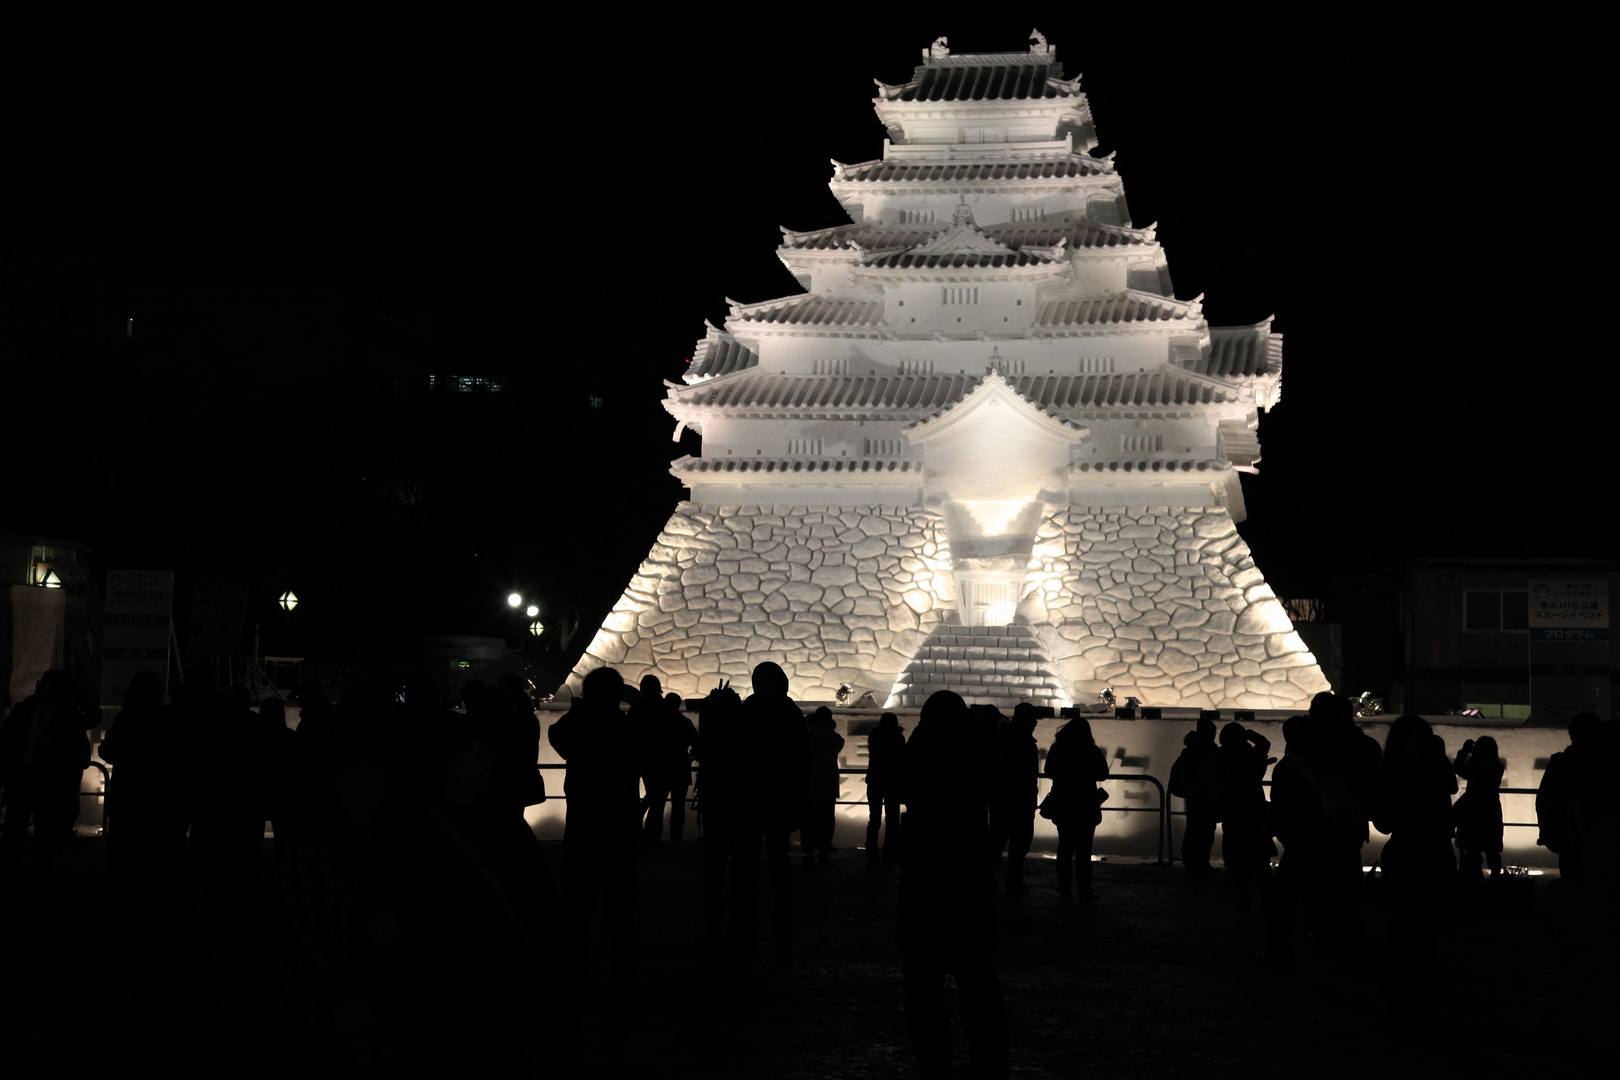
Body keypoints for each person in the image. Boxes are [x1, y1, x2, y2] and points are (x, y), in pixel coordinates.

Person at [897, 690, 1008, 1080]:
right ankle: (988, 1061)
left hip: (924, 876)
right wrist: (987, 857)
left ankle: (933, 1060)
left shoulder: (920, 746)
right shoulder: (979, 749)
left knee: (923, 984)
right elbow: (1002, 810)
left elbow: (901, 791)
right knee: (977, 978)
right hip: (967, 877)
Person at [691, 663, 808, 962]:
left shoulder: (748, 714)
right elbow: (800, 766)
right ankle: (775, 941)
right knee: (771, 875)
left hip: (749, 806)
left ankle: (745, 940)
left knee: (747, 875)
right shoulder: (789, 716)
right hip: (767, 805)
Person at [547, 665, 641, 991]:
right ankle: (622, 981)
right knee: (621, 913)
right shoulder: (629, 728)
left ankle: (572, 981)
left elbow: (556, 735)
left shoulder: (578, 726)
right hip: (621, 828)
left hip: (583, 826)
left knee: (575, 912)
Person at [1372, 714, 1456, 1030]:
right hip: (1424, 855)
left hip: (1410, 854)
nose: (1421, 744)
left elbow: (1383, 821)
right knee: (1415, 938)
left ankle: (1404, 1008)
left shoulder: (1390, 774)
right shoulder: (1432, 774)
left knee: (1412, 937)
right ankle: (1411, 1009)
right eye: (1417, 738)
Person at [1, 670, 100, 877]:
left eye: (44, 684)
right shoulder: (50, 714)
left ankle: (16, 887)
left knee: (27, 840)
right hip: (34, 782)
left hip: (37, 783)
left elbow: (7, 745)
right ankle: (32, 889)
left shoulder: (30, 711)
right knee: (30, 840)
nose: (39, 686)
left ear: (57, 691)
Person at [1042, 716, 1110, 901]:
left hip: (1063, 803)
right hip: (1086, 804)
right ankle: (1084, 889)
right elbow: (1103, 773)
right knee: (1084, 850)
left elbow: (1049, 771)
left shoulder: (1058, 748)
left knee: (1064, 847)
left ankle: (1064, 888)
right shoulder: (1090, 749)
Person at [1213, 722, 1276, 912]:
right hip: (1254, 813)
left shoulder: (1221, 758)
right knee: (1261, 864)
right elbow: (1264, 743)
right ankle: (1267, 901)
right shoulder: (1252, 757)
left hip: (1233, 813)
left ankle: (1244, 900)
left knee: (1240, 865)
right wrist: (1250, 734)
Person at [989, 703, 1040, 894]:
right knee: (1018, 843)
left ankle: (988, 878)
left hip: (1003, 799)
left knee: (998, 840)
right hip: (1020, 799)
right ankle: (1013, 879)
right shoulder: (1023, 742)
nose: (1035, 723)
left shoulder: (1002, 738)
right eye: (1032, 719)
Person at [1169, 717, 1220, 875]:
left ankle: (1194, 861)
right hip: (1203, 796)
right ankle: (1198, 861)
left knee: (1196, 830)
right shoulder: (1208, 751)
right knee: (1202, 831)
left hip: (1197, 797)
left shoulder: (1191, 751)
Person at [1452, 735, 1505, 881]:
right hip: (1490, 810)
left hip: (1472, 810)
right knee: (1492, 850)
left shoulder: (1474, 765)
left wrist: (1464, 752)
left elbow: (1457, 768)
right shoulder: (1497, 767)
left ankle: (1473, 882)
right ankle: (1495, 880)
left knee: (1472, 850)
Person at [802, 706, 845, 862]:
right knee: (826, 820)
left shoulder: (807, 737)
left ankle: (808, 851)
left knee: (809, 820)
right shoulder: (835, 739)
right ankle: (823, 849)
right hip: (828, 785)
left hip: (810, 784)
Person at [864, 712, 906, 865]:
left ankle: (871, 850)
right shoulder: (898, 738)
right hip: (893, 782)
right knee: (892, 819)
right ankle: (889, 850)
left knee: (874, 818)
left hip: (875, 781)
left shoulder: (874, 736)